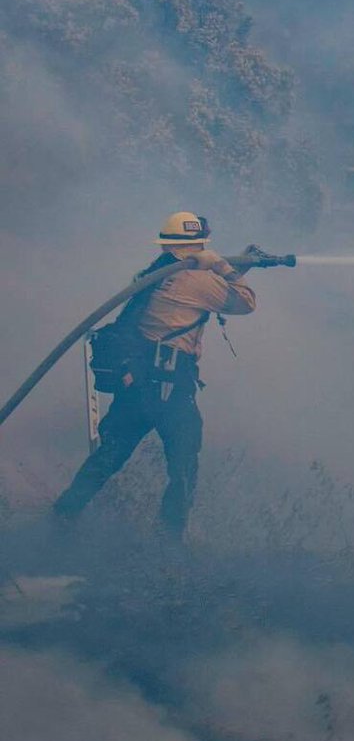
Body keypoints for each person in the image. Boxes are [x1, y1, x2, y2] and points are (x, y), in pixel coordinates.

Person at [53, 212, 256, 538]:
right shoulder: (197, 279)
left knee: (110, 454)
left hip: (138, 383)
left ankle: (63, 515)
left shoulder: (160, 271)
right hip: (169, 387)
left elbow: (193, 299)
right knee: (184, 463)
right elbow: (244, 302)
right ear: (201, 243)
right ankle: (170, 540)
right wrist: (224, 267)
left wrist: (239, 265)